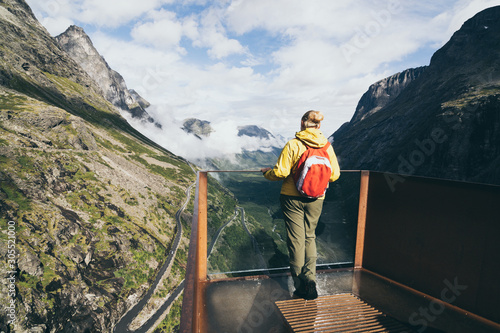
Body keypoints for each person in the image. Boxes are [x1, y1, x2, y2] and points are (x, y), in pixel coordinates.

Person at [261, 110, 340, 300]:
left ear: (302, 123)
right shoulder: (327, 147)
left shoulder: (294, 144)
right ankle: (311, 279)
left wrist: (266, 172)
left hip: (292, 198)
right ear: (319, 126)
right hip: (317, 198)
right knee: (310, 237)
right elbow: (335, 175)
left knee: (296, 241)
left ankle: (300, 286)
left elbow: (280, 172)